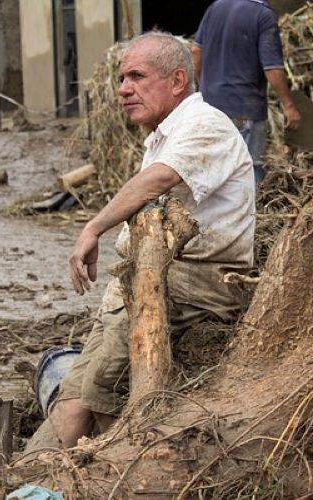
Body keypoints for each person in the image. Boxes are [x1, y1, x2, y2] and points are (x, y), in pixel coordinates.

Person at [25, 31, 255, 451]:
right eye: (121, 78)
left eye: (136, 76)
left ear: (178, 80)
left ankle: (125, 469)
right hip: (142, 277)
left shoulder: (206, 126)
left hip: (194, 281)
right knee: (74, 390)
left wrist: (93, 227)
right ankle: (27, 477)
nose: (123, 89)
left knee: (100, 385)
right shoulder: (164, 134)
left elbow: (161, 179)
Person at [192, 0, 301, 182]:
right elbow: (272, 68)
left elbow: (196, 51)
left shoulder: (215, 7)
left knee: (212, 173)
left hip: (208, 109)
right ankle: (248, 212)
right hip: (244, 109)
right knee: (248, 173)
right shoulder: (263, 15)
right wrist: (289, 106)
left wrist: (203, 85)